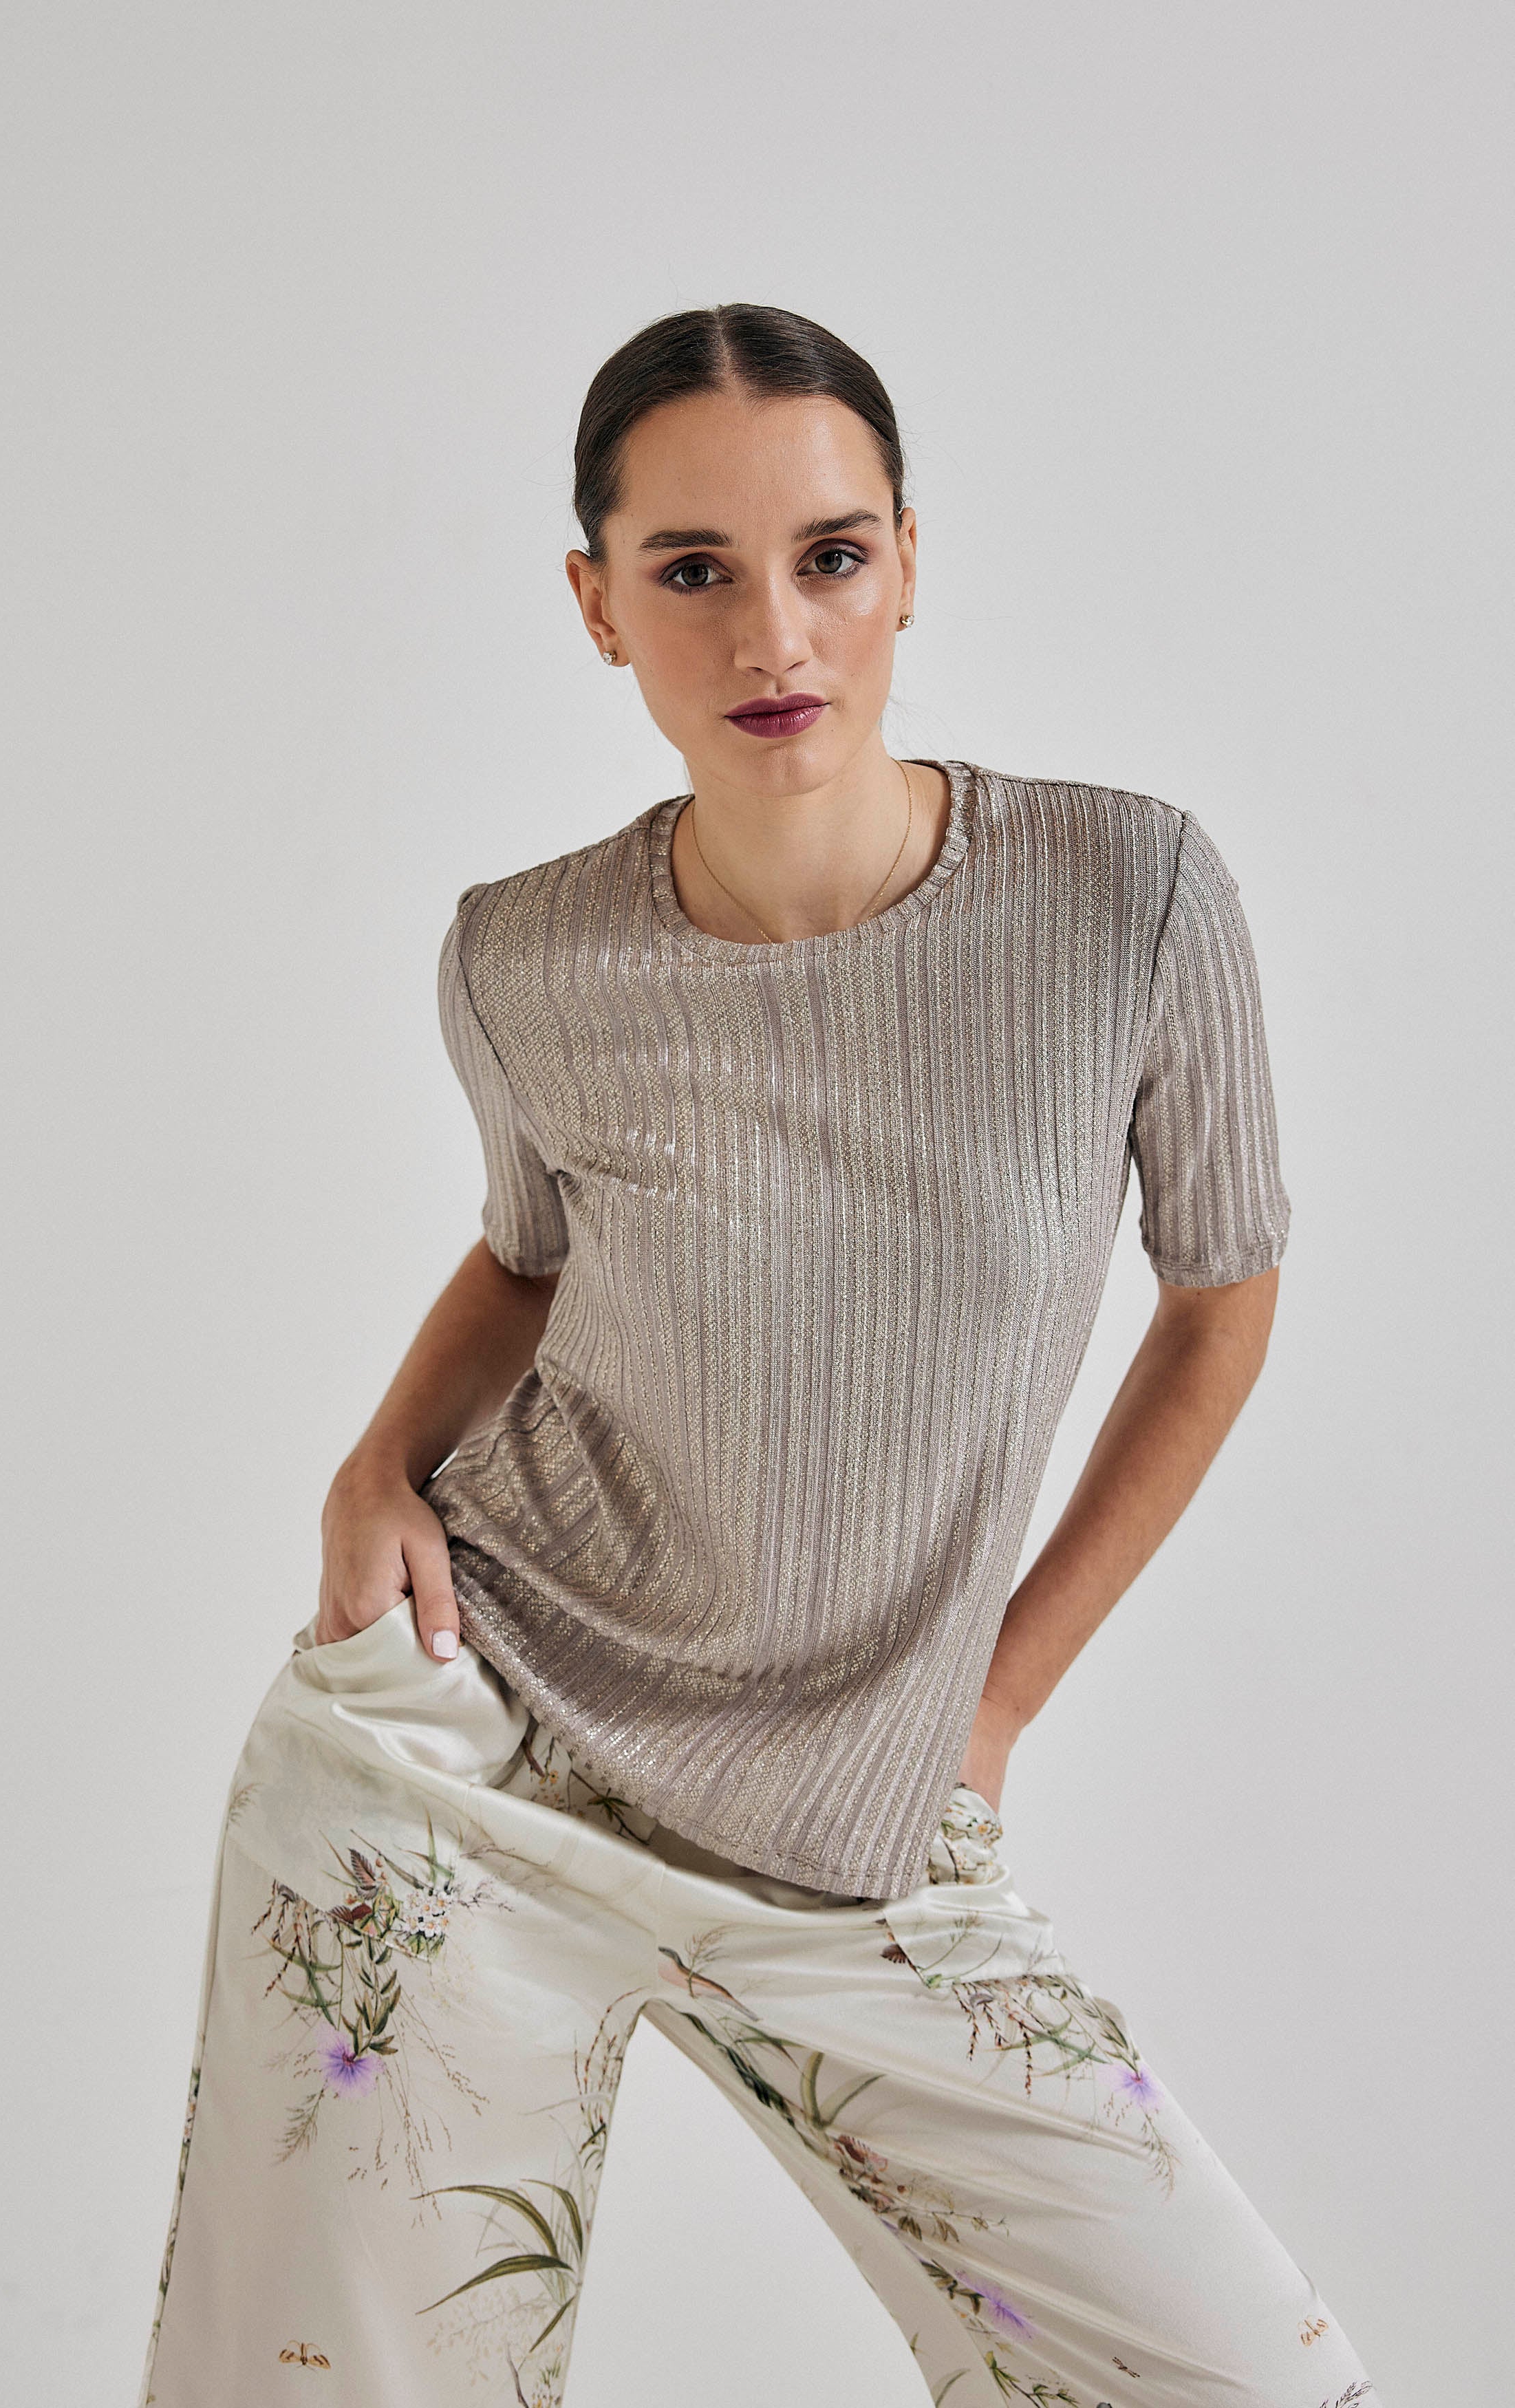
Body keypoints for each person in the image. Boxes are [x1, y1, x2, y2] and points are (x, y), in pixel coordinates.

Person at [140, 305, 1379, 2408]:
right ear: (597, 605)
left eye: (830, 555)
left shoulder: (1130, 896)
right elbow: (530, 1257)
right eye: (693, 569)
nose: (772, 632)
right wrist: (373, 1471)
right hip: (464, 1756)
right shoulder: (526, 951)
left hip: (867, 1814)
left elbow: (1222, 1297)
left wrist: (996, 1695)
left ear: (908, 560)